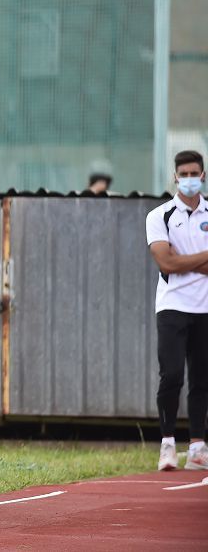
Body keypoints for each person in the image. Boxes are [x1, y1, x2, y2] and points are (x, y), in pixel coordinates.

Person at [145, 150, 208, 471]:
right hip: (172, 306)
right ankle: (168, 444)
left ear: (203, 176)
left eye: (194, 173)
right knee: (171, 374)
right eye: (183, 174)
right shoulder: (160, 215)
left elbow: (175, 259)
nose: (189, 179)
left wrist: (183, 259)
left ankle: (197, 446)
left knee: (201, 377)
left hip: (205, 309)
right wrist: (203, 257)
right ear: (175, 177)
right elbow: (165, 261)